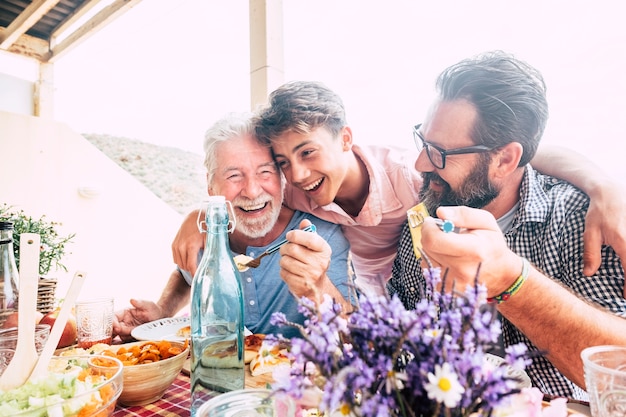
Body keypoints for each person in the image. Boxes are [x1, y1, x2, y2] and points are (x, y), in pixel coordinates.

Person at [171, 81, 626, 296]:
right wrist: (198, 216)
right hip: (368, 296)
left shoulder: (415, 176)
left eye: (308, 153)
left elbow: (505, 158)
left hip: (423, 284)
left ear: (346, 139)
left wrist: (602, 183)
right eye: (284, 162)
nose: (298, 173)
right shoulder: (294, 186)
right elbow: (248, 194)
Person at [386, 51, 626, 400]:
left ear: (505, 159)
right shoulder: (427, 217)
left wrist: (512, 282)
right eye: (422, 141)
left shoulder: (580, 218)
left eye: (439, 152)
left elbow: (618, 383)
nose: (421, 162)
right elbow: (399, 339)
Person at [113, 113, 355, 341]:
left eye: (265, 172)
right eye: (234, 176)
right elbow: (187, 275)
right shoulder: (206, 234)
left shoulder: (322, 236)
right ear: (211, 186)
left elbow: (356, 338)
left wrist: (319, 286)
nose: (251, 191)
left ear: (282, 178)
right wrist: (162, 311)